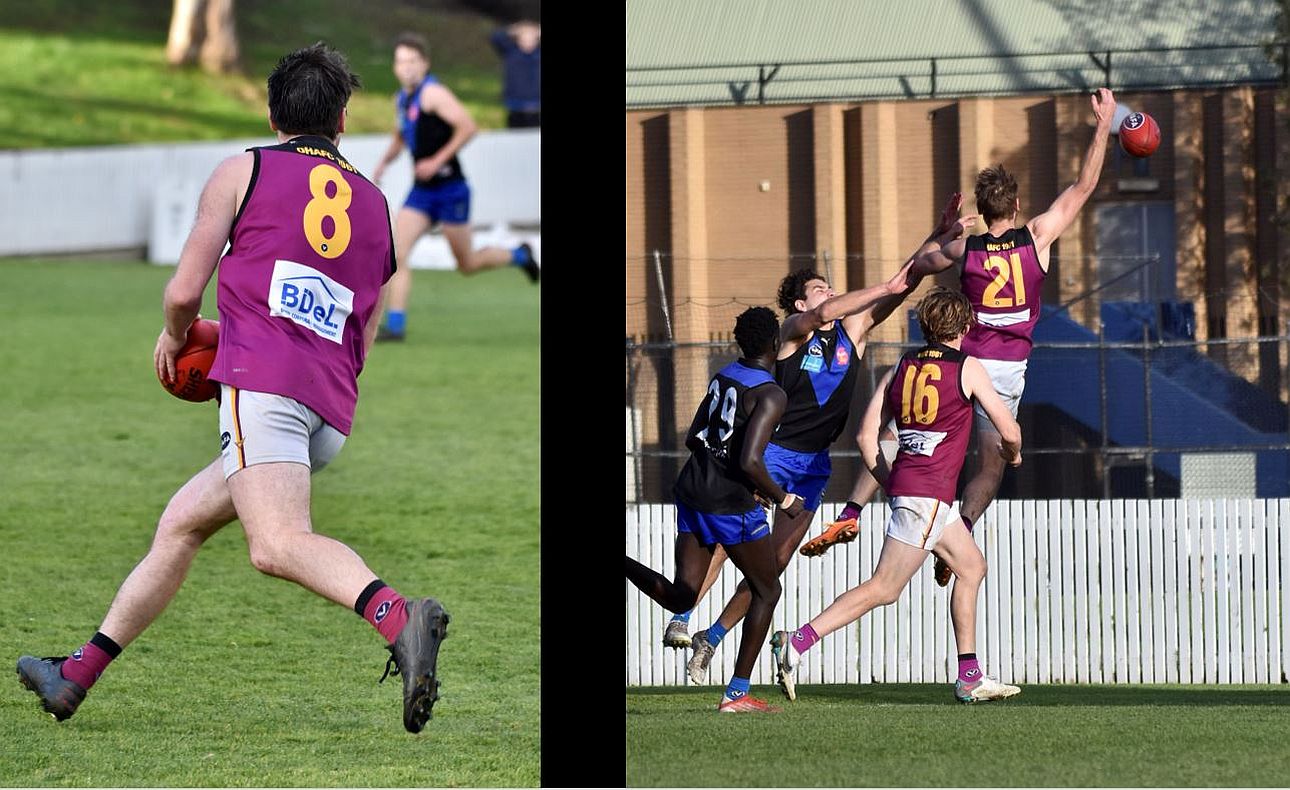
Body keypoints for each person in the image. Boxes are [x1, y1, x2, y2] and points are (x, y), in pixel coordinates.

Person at [16, 43, 449, 734]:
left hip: (264, 385)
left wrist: (173, 333)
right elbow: (362, 331)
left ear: (275, 115)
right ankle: (75, 675)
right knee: (180, 524)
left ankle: (399, 616)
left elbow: (185, 290)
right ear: (341, 120)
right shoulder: (374, 207)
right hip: (330, 406)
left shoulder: (242, 170)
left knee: (275, 543)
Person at [666, 195, 974, 681]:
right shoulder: (791, 332)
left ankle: (713, 637)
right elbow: (834, 307)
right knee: (729, 543)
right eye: (818, 289)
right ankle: (682, 614)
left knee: (775, 562)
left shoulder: (852, 332)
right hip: (770, 455)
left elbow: (906, 278)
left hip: (814, 464)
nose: (828, 293)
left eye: (829, 287)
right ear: (800, 302)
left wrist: (935, 238)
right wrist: (883, 283)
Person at [770, 287, 1023, 704]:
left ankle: (970, 676)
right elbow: (1008, 430)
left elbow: (866, 437)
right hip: (928, 493)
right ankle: (797, 640)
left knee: (973, 567)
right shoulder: (968, 367)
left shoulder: (900, 367)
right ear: (964, 325)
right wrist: (1012, 454)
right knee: (884, 588)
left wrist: (892, 484)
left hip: (921, 493)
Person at [910, 87, 1116, 587]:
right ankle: (961, 530)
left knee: (930, 452)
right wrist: (1104, 122)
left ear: (982, 208)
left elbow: (917, 266)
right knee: (989, 470)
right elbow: (1084, 185)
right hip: (1002, 375)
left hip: (960, 365)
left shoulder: (965, 250)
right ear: (1018, 206)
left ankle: (912, 514)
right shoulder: (1037, 236)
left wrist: (940, 233)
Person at [626, 306, 801, 713]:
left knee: (681, 596)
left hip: (692, 492)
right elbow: (749, 462)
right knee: (767, 589)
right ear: (775, 344)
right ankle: (736, 694)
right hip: (729, 505)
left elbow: (694, 439)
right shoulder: (771, 394)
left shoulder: (724, 376)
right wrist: (783, 498)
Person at [371, 32, 538, 342]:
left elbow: (468, 126)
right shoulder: (402, 99)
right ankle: (396, 326)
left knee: (467, 264)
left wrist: (436, 160)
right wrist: (384, 163)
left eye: (412, 61)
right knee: (396, 253)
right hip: (422, 192)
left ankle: (519, 255)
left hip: (451, 190)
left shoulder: (434, 94)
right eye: (401, 61)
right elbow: (400, 135)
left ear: (425, 64)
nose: (406, 67)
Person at [489, 20, 541, 128]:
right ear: (518, 39)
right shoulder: (511, 52)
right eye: (525, 38)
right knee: (515, 132)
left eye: (531, 39)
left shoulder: (538, 55)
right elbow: (495, 37)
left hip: (534, 102)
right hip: (514, 102)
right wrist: (514, 30)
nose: (528, 42)